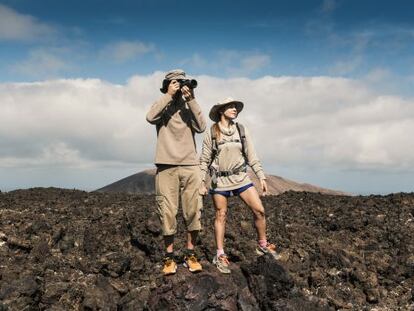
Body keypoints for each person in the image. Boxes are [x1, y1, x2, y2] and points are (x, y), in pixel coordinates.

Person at [199, 97, 279, 274]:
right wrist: (200, 182)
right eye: (230, 106)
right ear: (221, 110)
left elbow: (251, 154)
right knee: (221, 215)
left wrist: (261, 177)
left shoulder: (241, 129)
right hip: (219, 181)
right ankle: (220, 254)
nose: (234, 109)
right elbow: (204, 159)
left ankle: (263, 245)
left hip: (241, 178)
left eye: (235, 106)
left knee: (259, 210)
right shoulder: (212, 132)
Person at [146, 69, 206, 275]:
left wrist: (193, 100)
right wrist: (169, 95)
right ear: (168, 85)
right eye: (176, 83)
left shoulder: (189, 106)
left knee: (193, 211)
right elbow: (149, 116)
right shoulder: (163, 105)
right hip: (166, 165)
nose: (180, 86)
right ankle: (169, 257)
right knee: (167, 213)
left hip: (190, 165)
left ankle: (190, 254)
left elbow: (202, 127)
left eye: (182, 82)